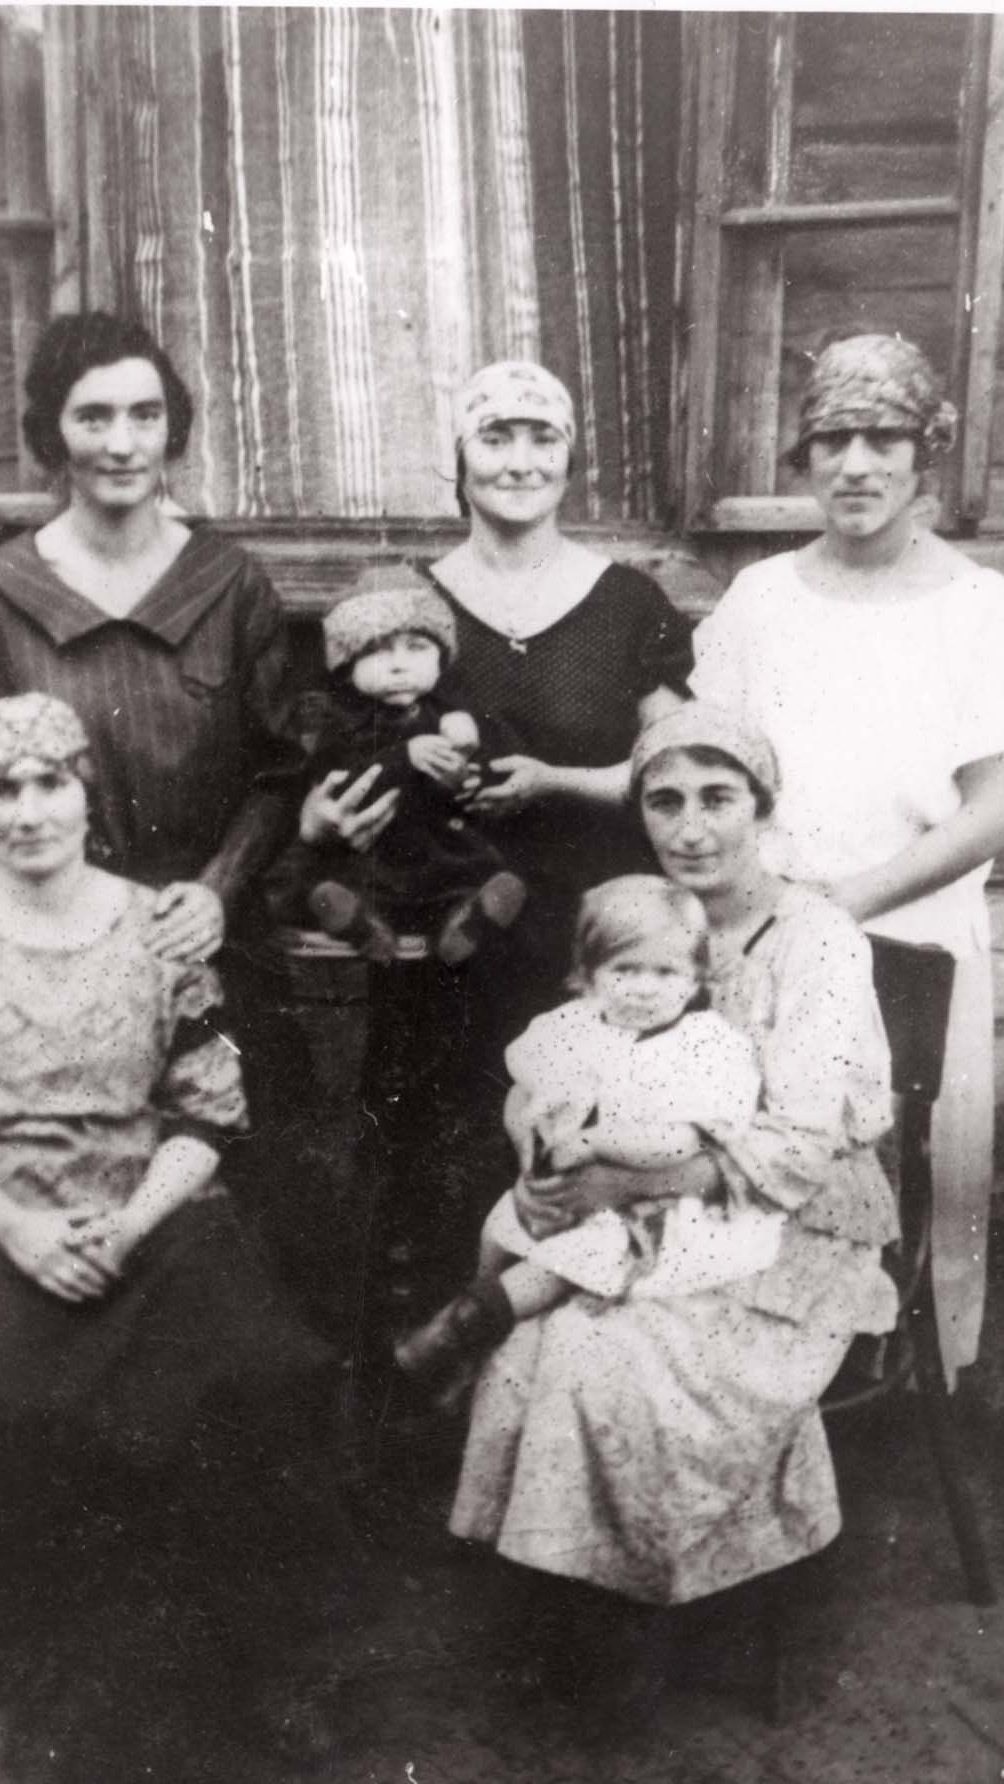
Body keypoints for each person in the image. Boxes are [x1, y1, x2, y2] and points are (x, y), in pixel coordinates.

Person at [0, 694, 351, 1784]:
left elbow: (206, 1115)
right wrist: (19, 1230)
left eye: (49, 783)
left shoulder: (157, 931)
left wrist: (127, 1226)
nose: (27, 811)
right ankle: (33, 1691)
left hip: (147, 1205)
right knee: (0, 1406)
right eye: (1, 788)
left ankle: (262, 1658)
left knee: (271, 1375)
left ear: (87, 793)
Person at [445, 704, 901, 1720]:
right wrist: (540, 1151)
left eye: (718, 799)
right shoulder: (641, 917)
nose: (691, 827)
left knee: (614, 1343)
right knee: (535, 1314)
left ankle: (648, 1605)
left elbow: (795, 1146)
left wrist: (623, 1185)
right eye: (665, 800)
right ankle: (564, 1598)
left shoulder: (817, 940)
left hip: (796, 1216)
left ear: (762, 806)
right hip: (638, 1205)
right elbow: (558, 1055)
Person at [690, 332, 1004, 1381]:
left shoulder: (982, 611)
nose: (856, 464)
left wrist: (846, 901)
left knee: (906, 1164)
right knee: (756, 1150)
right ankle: (756, 1381)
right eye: (832, 439)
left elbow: (992, 811)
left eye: (883, 438)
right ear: (804, 458)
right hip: (763, 926)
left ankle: (906, 1385)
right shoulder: (761, 602)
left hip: (909, 922)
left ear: (924, 454)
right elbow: (710, 763)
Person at [0, 311, 314, 1261]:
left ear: (173, 428)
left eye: (144, 414)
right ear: (53, 432)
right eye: (92, 417)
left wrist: (220, 893)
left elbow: (280, 770)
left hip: (200, 929)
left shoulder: (230, 585)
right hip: (48, 938)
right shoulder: (0, 592)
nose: (121, 442)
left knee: (245, 1197)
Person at [297, 359, 694, 1314]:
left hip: (588, 929)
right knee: (442, 1143)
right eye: (495, 437)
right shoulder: (408, 605)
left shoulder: (625, 603)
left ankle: (558, 1356)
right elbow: (339, 750)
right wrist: (318, 814)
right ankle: (436, 1379)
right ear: (458, 460)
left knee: (578, 1146)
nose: (518, 461)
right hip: (443, 934)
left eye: (541, 437)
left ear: (570, 457)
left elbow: (678, 760)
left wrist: (559, 780)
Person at [394, 874, 780, 1404]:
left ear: (694, 980)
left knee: (565, 1263)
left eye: (665, 972)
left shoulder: (705, 1046)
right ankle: (477, 1324)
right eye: (625, 970)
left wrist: (597, 1143)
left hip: (648, 1203)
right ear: (590, 976)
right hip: (561, 1184)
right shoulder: (572, 1027)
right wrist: (529, 1142)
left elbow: (682, 1141)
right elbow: (527, 1092)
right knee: (499, 1227)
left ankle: (465, 1327)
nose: (645, 988)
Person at [278, 561, 525, 965]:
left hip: (442, 850)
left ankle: (467, 920)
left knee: (470, 873)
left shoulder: (454, 714)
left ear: (441, 658)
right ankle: (359, 924)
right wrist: (404, 756)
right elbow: (337, 785)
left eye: (417, 647)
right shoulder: (345, 722)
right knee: (329, 883)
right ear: (348, 664)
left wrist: (470, 764)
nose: (399, 664)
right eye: (377, 650)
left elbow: (494, 780)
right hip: (372, 857)